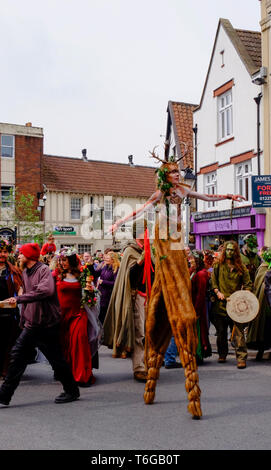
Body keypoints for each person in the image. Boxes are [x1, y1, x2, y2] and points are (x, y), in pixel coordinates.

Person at [109, 147, 244, 419]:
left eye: (177, 171)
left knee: (178, 287)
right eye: (171, 171)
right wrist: (119, 223)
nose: (176, 174)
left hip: (177, 242)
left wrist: (228, 195)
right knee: (167, 273)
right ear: (163, 175)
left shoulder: (182, 191)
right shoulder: (159, 194)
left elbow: (205, 195)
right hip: (163, 243)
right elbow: (141, 210)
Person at [0, 243, 80, 406]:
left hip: (45, 323)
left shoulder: (43, 270)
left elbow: (46, 291)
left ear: (29, 256)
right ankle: (72, 390)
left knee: (24, 355)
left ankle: (4, 395)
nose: (18, 256)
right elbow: (29, 298)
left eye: (21, 254)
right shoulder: (25, 271)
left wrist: (20, 298)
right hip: (34, 322)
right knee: (27, 357)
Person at [103, 219, 154, 382]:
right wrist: (140, 261)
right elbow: (129, 276)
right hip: (136, 295)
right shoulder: (131, 250)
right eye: (144, 229)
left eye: (148, 229)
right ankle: (139, 367)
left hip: (151, 295)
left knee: (150, 332)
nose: (147, 232)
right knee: (139, 332)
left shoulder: (150, 249)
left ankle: (148, 363)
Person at [54, 247, 96, 387]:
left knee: (79, 341)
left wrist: (90, 292)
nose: (62, 262)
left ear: (71, 260)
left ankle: (81, 375)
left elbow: (91, 295)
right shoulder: (57, 274)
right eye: (60, 260)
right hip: (62, 315)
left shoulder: (83, 273)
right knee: (64, 344)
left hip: (78, 313)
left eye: (64, 260)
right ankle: (66, 373)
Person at [211, 240, 252, 369]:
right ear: (224, 251)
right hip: (221, 305)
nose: (229, 252)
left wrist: (244, 296)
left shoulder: (241, 266)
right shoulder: (218, 265)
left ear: (236, 252)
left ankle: (241, 358)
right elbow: (213, 282)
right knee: (221, 332)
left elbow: (248, 284)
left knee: (239, 334)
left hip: (236, 306)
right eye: (227, 249)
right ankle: (222, 354)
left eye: (232, 250)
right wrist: (217, 292)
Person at [0, 239, 23, 378]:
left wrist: (19, 297)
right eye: (0, 251)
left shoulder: (13, 270)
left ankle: (5, 369)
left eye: (4, 252)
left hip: (8, 312)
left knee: (7, 342)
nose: (2, 254)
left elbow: (19, 288)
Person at [246, 247, 271, 360]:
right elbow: (257, 283)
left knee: (264, 326)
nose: (259, 253)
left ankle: (262, 351)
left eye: (261, 251)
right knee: (263, 326)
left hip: (265, 302)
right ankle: (261, 351)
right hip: (262, 301)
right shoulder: (263, 267)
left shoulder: (264, 267)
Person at [190, 250, 212, 365]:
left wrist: (196, 311)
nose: (190, 261)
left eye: (192, 259)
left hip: (198, 307)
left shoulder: (201, 274)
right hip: (193, 306)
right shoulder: (194, 272)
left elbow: (201, 294)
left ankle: (198, 354)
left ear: (197, 260)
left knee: (199, 331)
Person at [94, 251, 120, 324]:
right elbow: (96, 273)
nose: (105, 259)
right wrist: (90, 265)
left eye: (107, 258)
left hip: (108, 295)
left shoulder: (116, 269)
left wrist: (103, 282)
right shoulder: (105, 267)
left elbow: (116, 283)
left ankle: (105, 331)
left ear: (112, 259)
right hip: (101, 294)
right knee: (100, 313)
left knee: (104, 314)